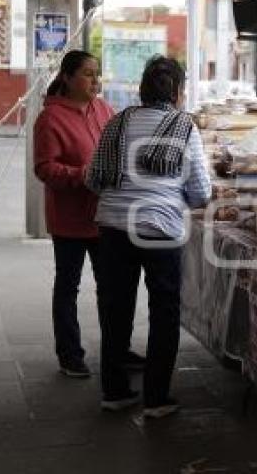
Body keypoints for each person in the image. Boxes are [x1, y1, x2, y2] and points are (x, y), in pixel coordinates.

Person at [87, 55, 211, 417]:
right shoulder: (185, 129)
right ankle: (156, 398)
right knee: (164, 311)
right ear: (177, 92)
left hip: (112, 227)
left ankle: (114, 392)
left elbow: (93, 179)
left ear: (142, 89)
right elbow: (200, 193)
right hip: (160, 230)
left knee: (115, 309)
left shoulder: (116, 122)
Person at [33, 49, 145, 378]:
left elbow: (118, 147)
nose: (95, 80)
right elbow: (44, 168)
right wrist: (83, 175)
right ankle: (69, 354)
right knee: (67, 287)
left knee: (111, 288)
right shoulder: (50, 119)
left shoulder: (103, 109)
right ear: (67, 78)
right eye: (87, 74)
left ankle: (118, 350)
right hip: (69, 219)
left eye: (98, 74)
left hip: (105, 217)